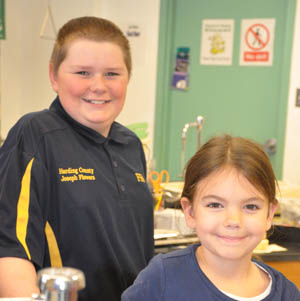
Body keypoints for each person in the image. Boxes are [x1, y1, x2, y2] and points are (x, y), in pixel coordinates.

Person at [0, 16, 154, 300]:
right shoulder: (35, 134)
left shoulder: (130, 144)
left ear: (128, 77)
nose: (98, 86)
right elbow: (10, 250)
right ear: (54, 76)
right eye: (83, 72)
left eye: (112, 74)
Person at [122, 135, 300, 300]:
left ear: (269, 214)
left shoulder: (288, 295)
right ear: (190, 212)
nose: (233, 221)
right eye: (215, 205)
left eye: (250, 206)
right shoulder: (161, 279)